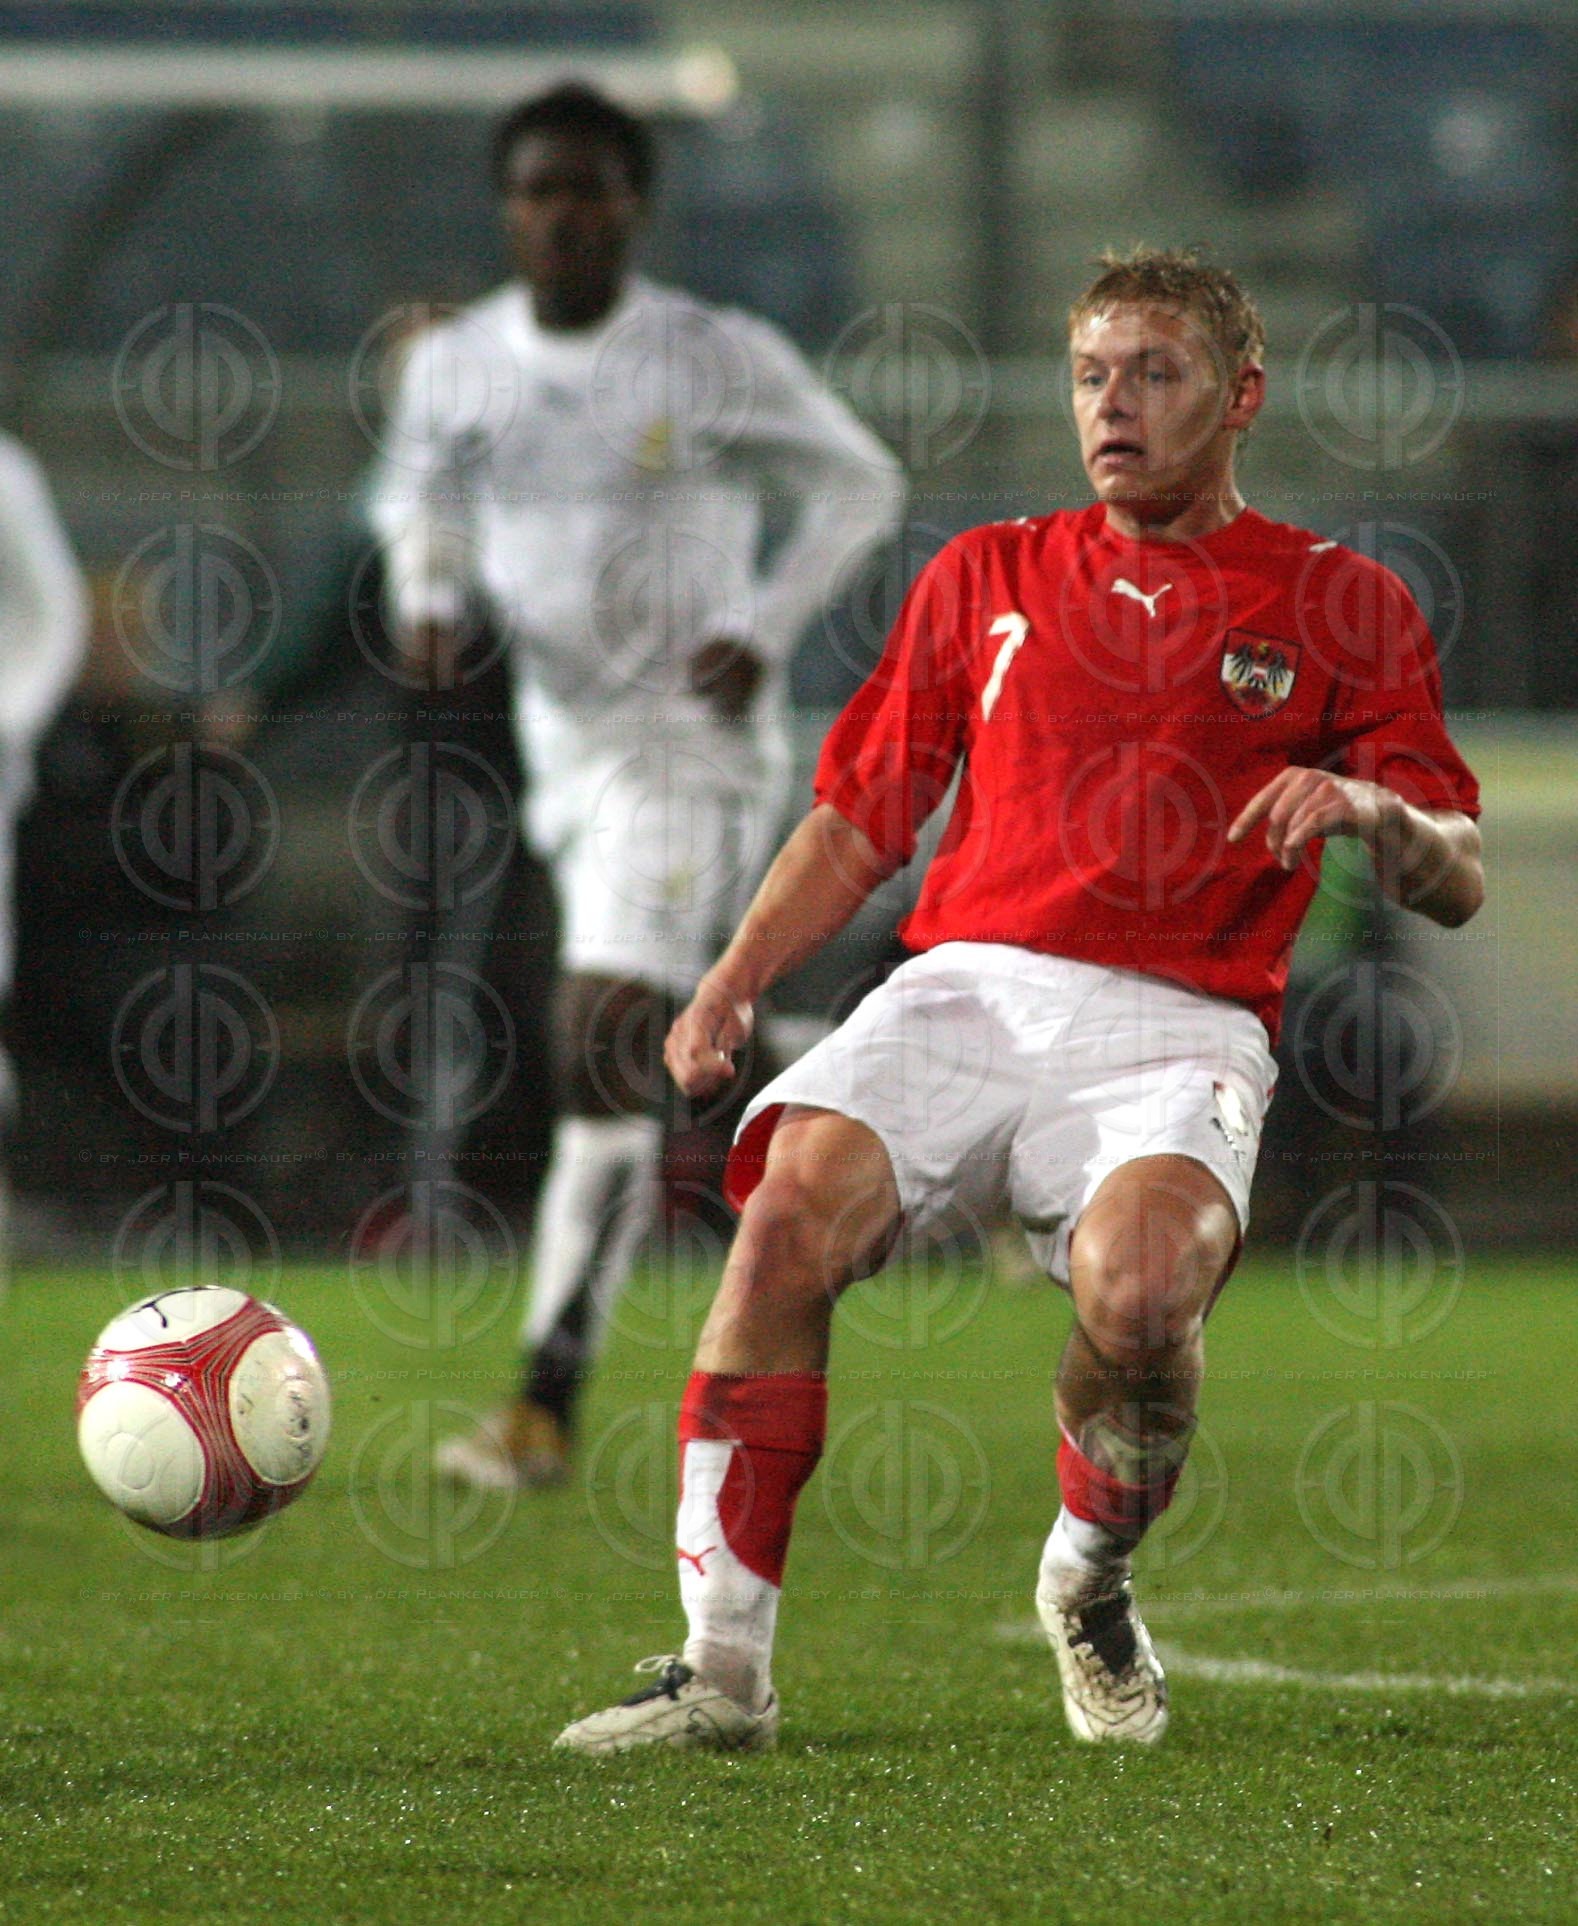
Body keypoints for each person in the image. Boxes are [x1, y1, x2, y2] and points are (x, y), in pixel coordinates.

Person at [553, 247, 1483, 1754]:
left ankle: (1089, 1577)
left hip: (1181, 1023)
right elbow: (861, 815)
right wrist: (731, 978)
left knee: (1139, 1297)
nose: (1111, 405)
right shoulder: (984, 573)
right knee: (787, 1211)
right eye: (1089, 375)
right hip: (967, 990)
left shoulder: (1342, 599)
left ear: (1240, 395)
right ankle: (719, 1672)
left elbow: (1458, 872)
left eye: (1154, 373)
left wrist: (1377, 819)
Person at [370, 83, 905, 1488]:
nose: (562, 212)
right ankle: (915, 1080)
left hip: (685, 751)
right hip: (563, 752)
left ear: (633, 208)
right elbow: (416, 497)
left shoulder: (710, 356)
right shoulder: (452, 366)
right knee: (668, 1041)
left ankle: (542, 1400)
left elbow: (860, 482)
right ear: (509, 207)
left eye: (589, 189)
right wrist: (425, 591)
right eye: (539, 189)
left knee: (598, 1041)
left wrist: (764, 626)